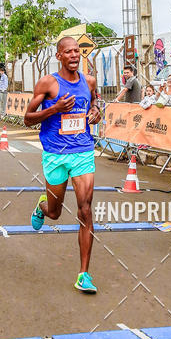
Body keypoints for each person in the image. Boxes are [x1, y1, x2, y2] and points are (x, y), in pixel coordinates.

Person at [24, 36, 102, 293]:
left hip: (82, 151)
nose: (74, 55)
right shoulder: (48, 83)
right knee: (55, 213)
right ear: (59, 56)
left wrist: (96, 111)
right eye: (68, 52)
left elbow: (95, 101)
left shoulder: (89, 81)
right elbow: (27, 118)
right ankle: (42, 206)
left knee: (85, 210)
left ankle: (84, 275)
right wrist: (54, 109)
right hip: (55, 154)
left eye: (77, 51)